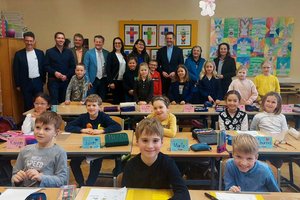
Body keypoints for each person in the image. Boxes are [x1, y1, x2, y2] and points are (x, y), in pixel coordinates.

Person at [122, 118, 190, 200]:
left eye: (155, 140)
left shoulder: (168, 163)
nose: (150, 146)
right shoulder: (130, 165)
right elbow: (124, 194)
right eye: (145, 140)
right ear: (137, 142)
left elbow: (183, 193)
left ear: (161, 142)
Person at [65, 94, 122, 186]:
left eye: (94, 105)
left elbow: (117, 126)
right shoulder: (83, 117)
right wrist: (82, 130)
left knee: (96, 161)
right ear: (86, 106)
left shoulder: (103, 116)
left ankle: (89, 185)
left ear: (99, 107)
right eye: (89, 105)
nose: (91, 108)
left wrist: (102, 131)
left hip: (99, 148)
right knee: (74, 162)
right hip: (84, 148)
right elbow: (68, 126)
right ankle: (81, 184)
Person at [12, 111, 68, 187]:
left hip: (47, 194)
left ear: (56, 132)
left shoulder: (59, 152)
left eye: (46, 129)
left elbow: (62, 180)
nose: (40, 132)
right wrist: (16, 179)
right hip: (25, 193)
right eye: (38, 127)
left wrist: (41, 177)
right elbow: (15, 175)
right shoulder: (25, 150)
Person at [13, 31, 45, 111]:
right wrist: (18, 84)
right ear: (24, 41)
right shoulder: (19, 54)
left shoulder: (40, 53)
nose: (29, 43)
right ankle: (29, 121)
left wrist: (43, 80)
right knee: (27, 104)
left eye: (31, 41)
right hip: (25, 83)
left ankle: (40, 121)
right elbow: (16, 70)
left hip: (38, 81)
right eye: (27, 40)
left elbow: (43, 67)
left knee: (40, 103)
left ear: (34, 41)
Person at [44, 32, 76, 105]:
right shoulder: (49, 52)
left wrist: (66, 76)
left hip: (65, 81)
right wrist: (55, 72)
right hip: (53, 82)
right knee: (54, 102)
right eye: (59, 38)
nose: (60, 40)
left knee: (64, 102)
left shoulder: (69, 52)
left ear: (64, 40)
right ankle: (54, 116)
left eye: (62, 38)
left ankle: (63, 117)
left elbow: (72, 66)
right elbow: (46, 66)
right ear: (55, 39)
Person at [84, 35, 109, 100]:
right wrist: (88, 80)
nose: (98, 43)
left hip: (103, 80)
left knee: (102, 99)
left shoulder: (107, 53)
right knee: (91, 99)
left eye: (100, 42)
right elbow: (85, 68)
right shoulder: (89, 53)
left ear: (103, 43)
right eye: (96, 42)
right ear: (94, 42)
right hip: (92, 81)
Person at [106, 37, 127, 104]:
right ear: (113, 44)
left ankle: (123, 115)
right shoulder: (110, 55)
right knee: (116, 101)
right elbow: (108, 69)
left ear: (122, 44)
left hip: (123, 82)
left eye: (119, 43)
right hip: (115, 82)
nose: (117, 44)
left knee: (123, 101)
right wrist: (110, 82)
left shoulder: (124, 55)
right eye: (116, 43)